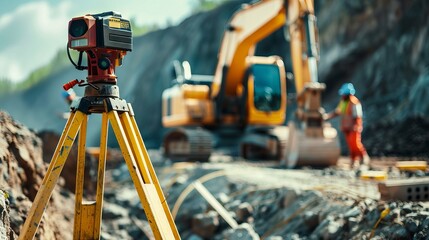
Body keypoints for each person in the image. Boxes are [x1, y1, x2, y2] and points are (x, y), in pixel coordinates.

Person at [324, 83, 370, 169]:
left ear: (348, 94)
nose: (342, 96)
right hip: (347, 128)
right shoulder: (343, 102)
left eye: (344, 94)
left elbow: (357, 116)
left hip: (354, 127)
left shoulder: (354, 102)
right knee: (351, 145)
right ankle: (353, 161)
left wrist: (356, 126)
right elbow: (337, 112)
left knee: (356, 144)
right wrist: (327, 116)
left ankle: (364, 158)